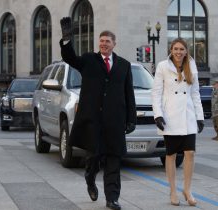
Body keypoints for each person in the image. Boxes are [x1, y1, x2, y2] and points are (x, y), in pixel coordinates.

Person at [59, 17, 136, 210]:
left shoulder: (124, 65)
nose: (103, 44)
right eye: (101, 41)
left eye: (107, 41)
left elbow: (129, 94)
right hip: (93, 120)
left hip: (115, 122)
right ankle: (90, 178)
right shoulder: (88, 60)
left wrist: (131, 119)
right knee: (93, 158)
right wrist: (67, 40)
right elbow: (70, 59)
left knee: (114, 160)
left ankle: (112, 198)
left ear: (114, 44)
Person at [151, 38, 204, 206]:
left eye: (182, 49)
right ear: (171, 50)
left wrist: (200, 116)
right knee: (171, 154)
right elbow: (156, 93)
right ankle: (173, 190)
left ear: (186, 51)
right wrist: (158, 115)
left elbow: (195, 93)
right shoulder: (162, 66)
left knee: (190, 153)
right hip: (170, 116)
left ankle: (187, 189)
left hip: (188, 116)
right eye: (176, 49)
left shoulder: (192, 66)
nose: (178, 52)